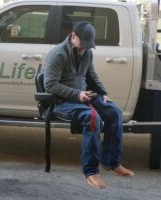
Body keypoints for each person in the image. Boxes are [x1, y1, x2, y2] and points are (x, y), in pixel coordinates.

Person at [44, 22, 134, 189]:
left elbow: (91, 76)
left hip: (84, 96)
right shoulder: (58, 54)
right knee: (93, 118)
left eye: (88, 46)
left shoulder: (87, 53)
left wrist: (103, 92)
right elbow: (50, 85)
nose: (85, 49)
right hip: (63, 101)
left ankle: (112, 163)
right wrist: (77, 94)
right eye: (83, 45)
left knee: (115, 112)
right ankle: (91, 171)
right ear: (73, 36)